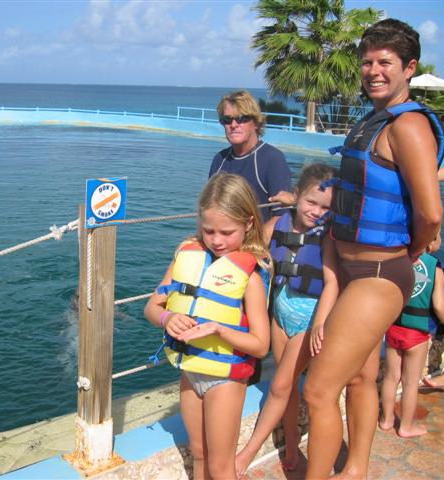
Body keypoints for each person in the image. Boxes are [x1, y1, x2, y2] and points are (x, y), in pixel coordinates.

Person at [303, 19, 444, 480]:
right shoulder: (373, 120)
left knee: (318, 391)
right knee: (361, 377)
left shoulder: (409, 126)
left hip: (379, 274)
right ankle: (355, 470)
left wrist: (412, 252)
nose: (373, 71)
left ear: (409, 67)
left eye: (385, 62)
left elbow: (431, 213)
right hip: (352, 271)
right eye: (367, 62)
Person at [145, 173, 271, 480]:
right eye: (208, 230)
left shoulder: (251, 277)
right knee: (198, 453)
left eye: (227, 232)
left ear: (248, 224)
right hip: (191, 372)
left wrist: (219, 329)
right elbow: (151, 307)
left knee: (220, 466)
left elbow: (261, 346)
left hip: (224, 380)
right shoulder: (186, 256)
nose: (216, 240)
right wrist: (167, 318)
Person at [234, 164, 339, 475]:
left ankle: (247, 454)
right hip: (280, 316)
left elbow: (332, 282)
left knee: (279, 386)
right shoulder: (276, 224)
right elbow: (250, 251)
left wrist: (320, 323)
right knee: (288, 387)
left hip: (308, 320)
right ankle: (291, 443)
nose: (316, 212)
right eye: (311, 202)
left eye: (325, 207)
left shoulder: (328, 237)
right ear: (296, 196)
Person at [380, 233, 444, 437]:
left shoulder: (397, 260)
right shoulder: (435, 267)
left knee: (391, 377)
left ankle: (386, 420)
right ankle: (406, 426)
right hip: (416, 334)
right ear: (431, 241)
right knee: (410, 383)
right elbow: (439, 306)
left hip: (394, 328)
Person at [209, 90, 292, 222]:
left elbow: (281, 217)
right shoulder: (219, 159)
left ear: (256, 123)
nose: (233, 125)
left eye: (241, 119)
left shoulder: (272, 159)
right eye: (227, 120)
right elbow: (209, 210)